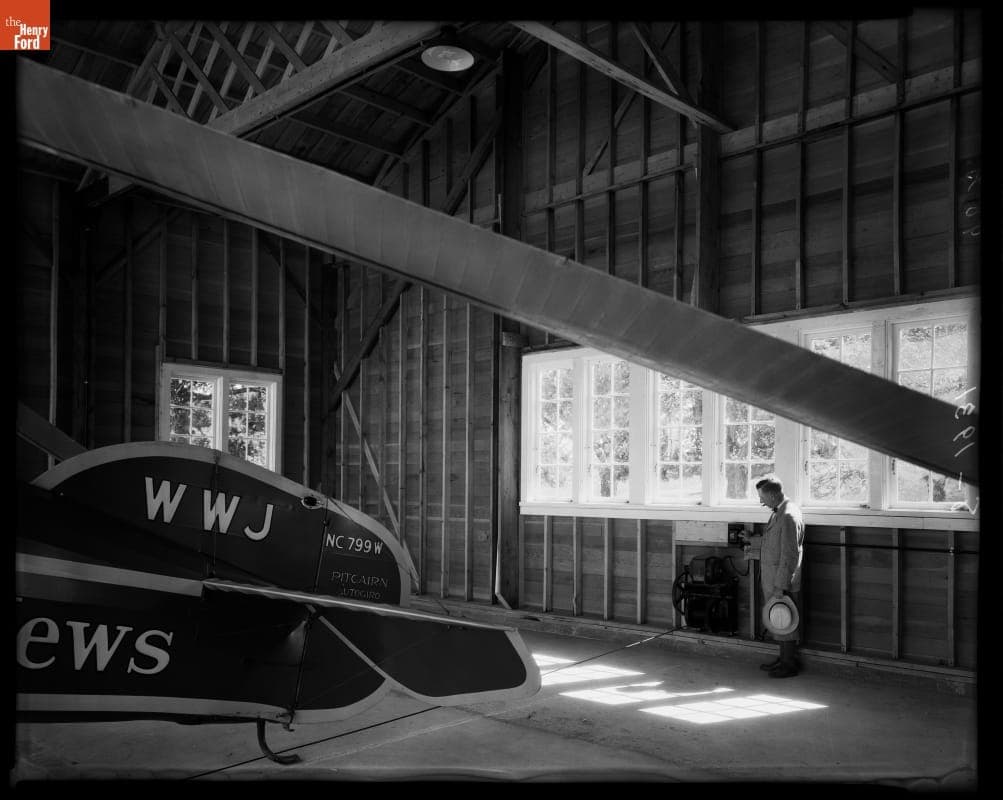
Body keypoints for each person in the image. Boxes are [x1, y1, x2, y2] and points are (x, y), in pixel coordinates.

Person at [755, 474, 805, 678]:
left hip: (782, 581)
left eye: (762, 497)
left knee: (786, 619)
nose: (761, 502)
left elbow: (789, 555)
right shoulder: (780, 512)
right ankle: (784, 658)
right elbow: (776, 544)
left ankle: (789, 663)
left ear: (774, 495)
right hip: (774, 578)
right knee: (780, 619)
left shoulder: (788, 516)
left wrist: (780, 585)